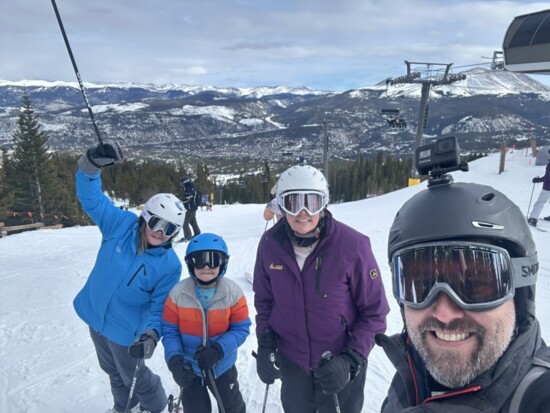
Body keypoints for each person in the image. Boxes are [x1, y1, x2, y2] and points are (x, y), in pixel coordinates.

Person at [376, 179, 550, 412]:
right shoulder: (411, 373)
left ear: (519, 293)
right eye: (420, 285)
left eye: (476, 284)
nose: (445, 313)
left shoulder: (538, 395)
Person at [253, 164, 390, 413]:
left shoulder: (353, 246)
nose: (303, 213)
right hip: (292, 362)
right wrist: (265, 341)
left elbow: (374, 313)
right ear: (281, 206)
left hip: (339, 364)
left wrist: (351, 360)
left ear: (324, 204)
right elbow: (264, 301)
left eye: (312, 203)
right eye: (293, 203)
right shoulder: (270, 244)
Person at [74, 142, 186, 413]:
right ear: (145, 216)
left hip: (126, 332)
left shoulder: (169, 265)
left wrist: (150, 335)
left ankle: (156, 408)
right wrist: (90, 166)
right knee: (112, 371)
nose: (161, 232)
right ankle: (125, 406)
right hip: (96, 316)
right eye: (157, 222)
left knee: (135, 377)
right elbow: (93, 200)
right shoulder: (120, 225)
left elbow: (160, 306)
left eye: (170, 229)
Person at [162, 233, 251, 413]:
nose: (206, 266)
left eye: (214, 260)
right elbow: (170, 331)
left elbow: (241, 328)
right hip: (190, 368)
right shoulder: (178, 294)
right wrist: (174, 360)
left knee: (231, 406)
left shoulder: (232, 292)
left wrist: (218, 350)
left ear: (223, 263)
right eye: (199, 260)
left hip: (221, 365)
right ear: (190, 263)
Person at [528, 148, 550, 227]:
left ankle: (533, 218)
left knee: (540, 202)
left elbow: (548, 177)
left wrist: (538, 180)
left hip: (548, 187)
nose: (548, 155)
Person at [180, 176, 202, 241]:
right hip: (192, 208)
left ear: (185, 182)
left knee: (185, 223)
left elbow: (188, 199)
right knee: (192, 221)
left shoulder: (190, 189)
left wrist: (180, 201)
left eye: (182, 182)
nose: (181, 184)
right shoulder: (190, 187)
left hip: (191, 208)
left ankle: (187, 237)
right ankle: (197, 233)